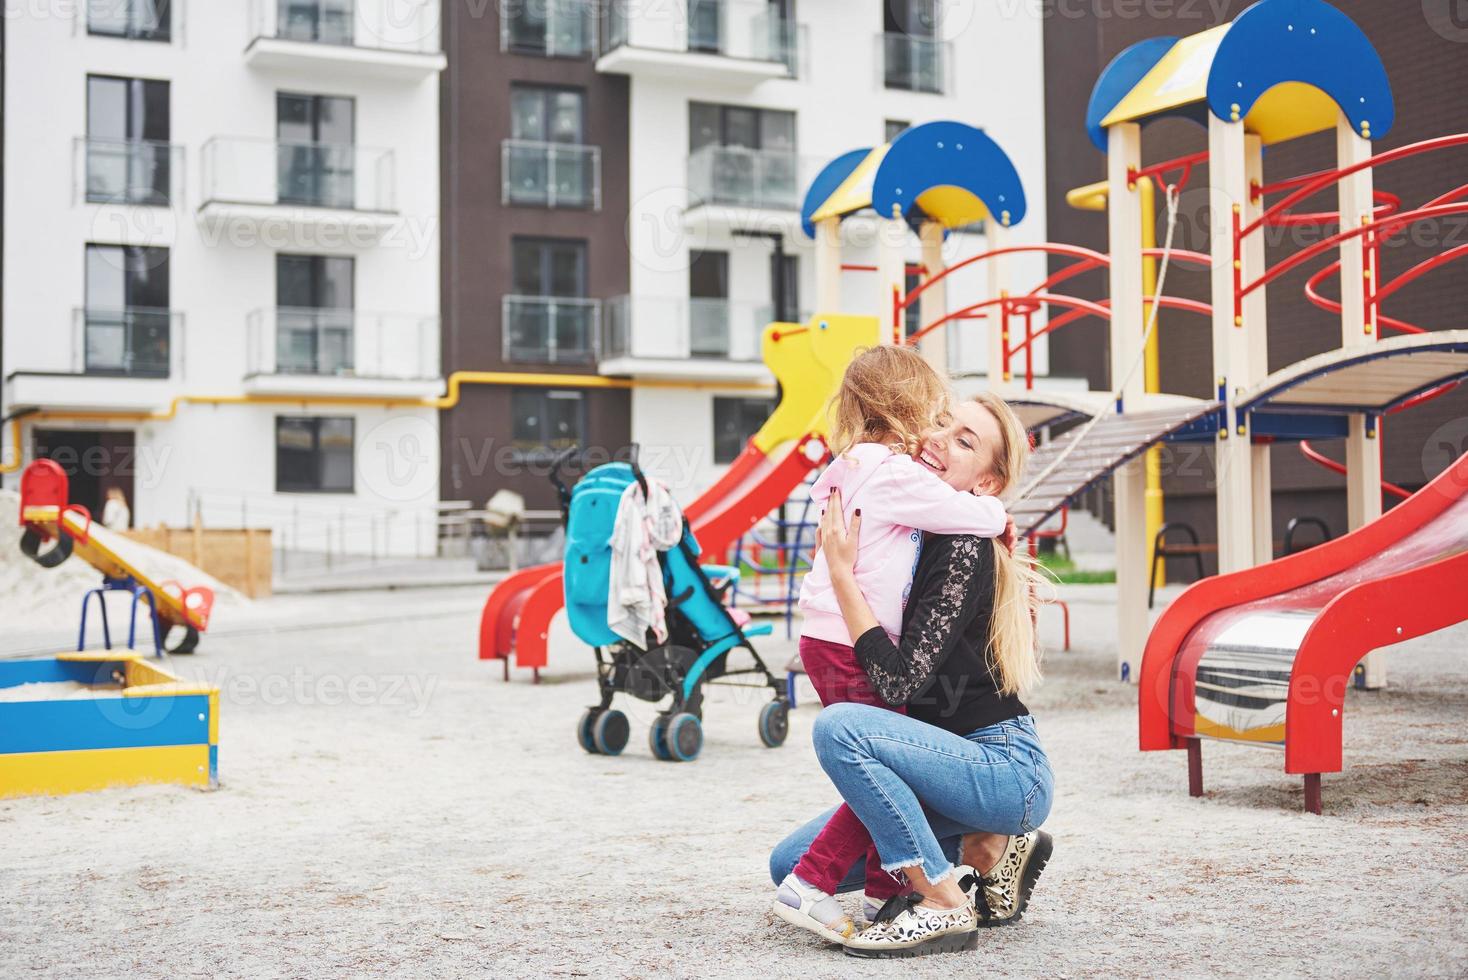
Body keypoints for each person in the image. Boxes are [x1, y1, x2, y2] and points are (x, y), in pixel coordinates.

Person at [769, 392, 1055, 958]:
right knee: (786, 864)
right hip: (939, 768)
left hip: (1001, 767)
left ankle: (942, 899)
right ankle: (988, 848)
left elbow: (897, 685)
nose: (939, 439)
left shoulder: (963, 546)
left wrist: (842, 577)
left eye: (964, 441)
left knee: (841, 730)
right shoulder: (909, 531)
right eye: (941, 423)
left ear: (987, 484)